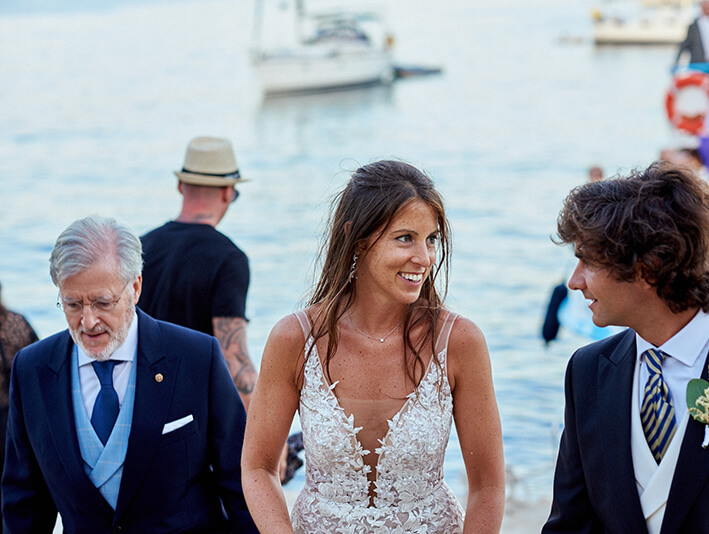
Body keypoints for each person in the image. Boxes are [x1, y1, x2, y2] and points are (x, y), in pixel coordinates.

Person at [241, 160, 505, 533]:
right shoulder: (295, 339)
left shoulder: (459, 342)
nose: (424, 258)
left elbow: (488, 486)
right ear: (357, 238)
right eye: (405, 238)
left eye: (431, 239)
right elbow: (258, 468)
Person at [544, 162, 709, 533]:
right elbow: (569, 525)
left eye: (588, 261)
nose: (574, 281)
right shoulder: (587, 371)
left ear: (647, 266)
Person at [2, 216, 257, 533]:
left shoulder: (197, 357)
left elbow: (240, 482)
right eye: (73, 304)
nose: (88, 322)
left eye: (102, 302)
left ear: (135, 287)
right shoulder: (31, 369)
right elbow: (24, 505)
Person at [138, 136, 257, 409]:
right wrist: (264, 427)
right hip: (193, 414)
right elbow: (234, 358)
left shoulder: (139, 247)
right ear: (228, 193)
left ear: (180, 186)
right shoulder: (229, 259)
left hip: (139, 406)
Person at [0, 281, 38, 529]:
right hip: (14, 422)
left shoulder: (15, 323)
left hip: (10, 420)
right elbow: (39, 371)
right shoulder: (16, 323)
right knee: (15, 490)